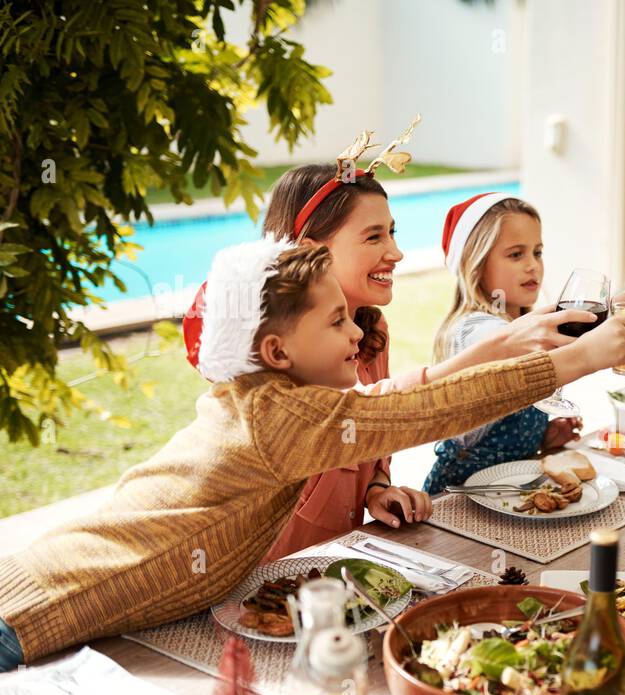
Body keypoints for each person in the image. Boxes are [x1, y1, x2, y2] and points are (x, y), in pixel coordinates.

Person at [0, 238, 625, 669]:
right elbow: (419, 411)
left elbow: (398, 406)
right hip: (28, 614)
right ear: (278, 351)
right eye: (336, 321)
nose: (356, 333)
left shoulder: (267, 399)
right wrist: (576, 358)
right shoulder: (278, 416)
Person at [182, 130, 584, 558]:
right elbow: (379, 411)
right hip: (266, 573)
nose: (396, 252)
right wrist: (506, 345)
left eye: (392, 233)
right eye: (374, 237)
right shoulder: (280, 363)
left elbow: (375, 444)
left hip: (336, 563)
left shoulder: (371, 331)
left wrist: (377, 489)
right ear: (309, 252)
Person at [422, 192, 625, 492]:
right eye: (516, 254)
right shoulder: (473, 331)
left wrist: (540, 433)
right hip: (458, 493)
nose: (532, 265)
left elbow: (565, 334)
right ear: (476, 265)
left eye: (538, 252)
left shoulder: (523, 325)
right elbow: (550, 346)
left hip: (513, 488)